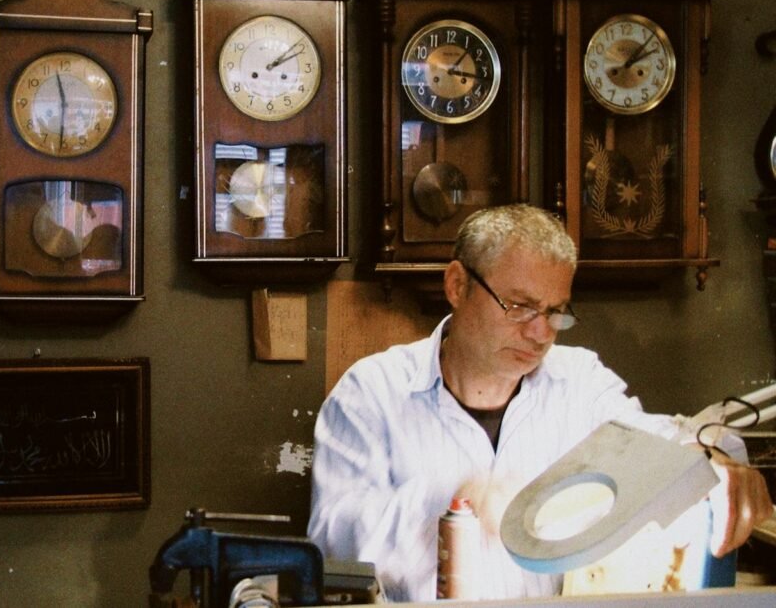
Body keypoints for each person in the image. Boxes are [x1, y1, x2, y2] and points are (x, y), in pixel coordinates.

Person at [308, 203, 773, 602]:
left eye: (555, 311)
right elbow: (333, 545)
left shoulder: (580, 382)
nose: (540, 333)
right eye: (519, 306)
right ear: (457, 285)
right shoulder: (370, 393)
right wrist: (455, 500)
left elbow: (657, 447)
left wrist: (713, 460)